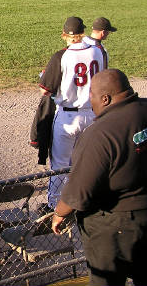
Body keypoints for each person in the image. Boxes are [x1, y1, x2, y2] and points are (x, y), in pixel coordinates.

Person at [52, 69, 147, 286]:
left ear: (105, 98)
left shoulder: (101, 133)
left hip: (118, 224)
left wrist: (60, 213)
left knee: (108, 280)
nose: (90, 101)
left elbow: (80, 191)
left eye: (91, 95)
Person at [38, 17, 106, 211]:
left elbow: (45, 90)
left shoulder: (62, 56)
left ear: (64, 34)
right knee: (86, 162)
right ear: (83, 32)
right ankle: (85, 201)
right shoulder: (98, 52)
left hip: (67, 117)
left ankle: (54, 207)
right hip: (92, 116)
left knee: (59, 164)